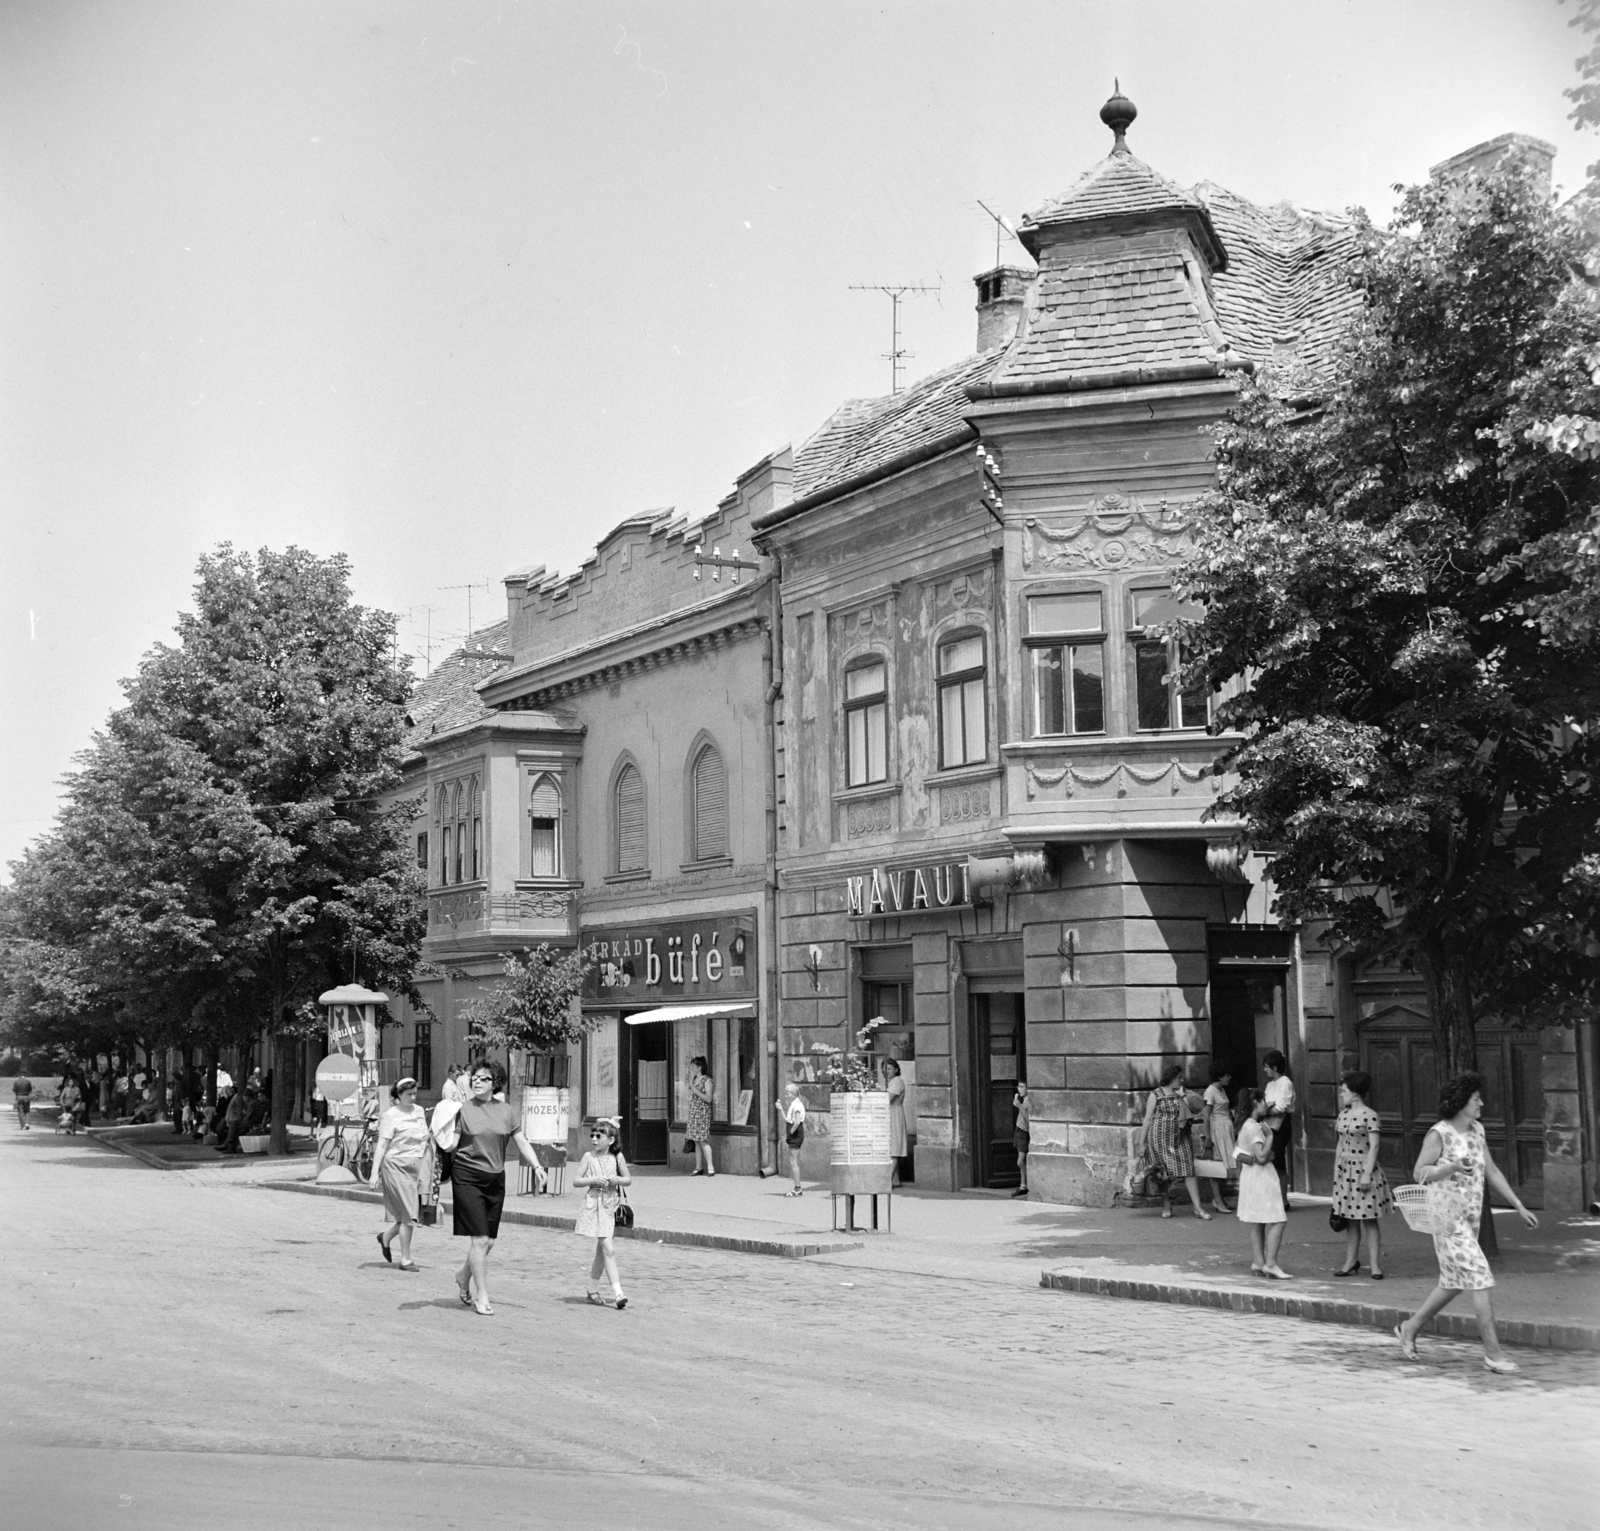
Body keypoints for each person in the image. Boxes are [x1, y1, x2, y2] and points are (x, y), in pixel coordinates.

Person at [1396, 1071, 1538, 1375]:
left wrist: (1520, 1206)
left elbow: (1493, 1172)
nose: (1481, 1103)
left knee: (1452, 1283)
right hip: (1446, 1219)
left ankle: (1409, 1328)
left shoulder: (1478, 1131)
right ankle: (1493, 1354)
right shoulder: (1439, 1133)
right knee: (1480, 1276)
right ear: (1461, 1102)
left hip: (1469, 1219)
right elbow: (1419, 1171)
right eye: (1476, 1099)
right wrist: (1451, 1167)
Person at [451, 1061, 546, 1316]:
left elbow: (521, 1141)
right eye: (474, 1078)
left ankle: (463, 1274)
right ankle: (481, 1295)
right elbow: (450, 1144)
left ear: (496, 1083)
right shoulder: (463, 1110)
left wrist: (537, 1166)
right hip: (467, 1175)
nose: (477, 1082)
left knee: (489, 1241)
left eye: (483, 1078)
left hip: (495, 1178)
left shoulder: (506, 1111)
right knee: (480, 1239)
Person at [1331, 1070, 1393, 1279]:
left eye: (1344, 1091)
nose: (1341, 1095)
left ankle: (1375, 1265)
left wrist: (1366, 1174)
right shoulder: (1343, 1115)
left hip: (1364, 1170)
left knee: (1369, 1219)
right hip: (1345, 1171)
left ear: (1355, 1093)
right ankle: (1351, 1261)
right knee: (1349, 1219)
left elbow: (1374, 1146)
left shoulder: (1370, 1115)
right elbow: (1340, 1144)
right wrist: (1336, 1171)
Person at [369, 1077, 430, 1271]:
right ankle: (405, 1259)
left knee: (409, 1213)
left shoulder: (419, 1111)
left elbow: (424, 1136)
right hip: (396, 1166)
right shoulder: (390, 1115)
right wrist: (374, 1172)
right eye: (409, 1094)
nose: (413, 1098)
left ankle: (385, 1237)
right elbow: (382, 1145)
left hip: (416, 1166)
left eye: (415, 1094)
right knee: (409, 1213)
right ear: (399, 1095)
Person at [1138, 1063, 1211, 1220]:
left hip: (1181, 1137)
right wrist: (1141, 1143)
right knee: (1162, 1173)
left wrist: (1184, 1095)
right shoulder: (1156, 1094)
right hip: (1159, 1140)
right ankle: (1167, 1206)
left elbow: (1198, 1108)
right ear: (1171, 1078)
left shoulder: (1182, 1094)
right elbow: (1147, 1119)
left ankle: (1198, 1208)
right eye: (1179, 1077)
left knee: (1188, 1170)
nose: (1182, 1080)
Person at [575, 1116, 631, 1308]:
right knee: (608, 1248)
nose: (595, 1139)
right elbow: (576, 1180)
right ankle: (618, 1293)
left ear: (611, 1140)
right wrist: (593, 1179)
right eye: (593, 1135)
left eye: (599, 1136)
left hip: (610, 1205)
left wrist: (617, 1179)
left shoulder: (617, 1157)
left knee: (602, 1250)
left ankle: (592, 1289)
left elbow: (628, 1179)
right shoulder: (588, 1157)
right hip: (594, 1205)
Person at [1234, 1088, 1290, 1278]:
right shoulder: (1256, 1127)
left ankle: (1258, 1261)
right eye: (1263, 1101)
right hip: (1262, 1178)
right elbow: (1261, 1155)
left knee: (1257, 1221)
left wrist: (1256, 1159)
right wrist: (1271, 1138)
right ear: (1255, 1103)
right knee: (1278, 1219)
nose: (1266, 1104)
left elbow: (1238, 1154)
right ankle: (1271, 1263)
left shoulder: (1244, 1125)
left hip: (1250, 1176)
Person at [1262, 1050, 1295, 1212]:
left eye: (1267, 1067)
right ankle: (1274, 1199)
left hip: (1281, 1126)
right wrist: (1269, 1107)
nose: (1265, 1070)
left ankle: (1283, 1200)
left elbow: (1281, 1108)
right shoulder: (1270, 1084)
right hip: (1269, 1126)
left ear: (1275, 1067)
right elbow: (1270, 1106)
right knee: (1270, 1162)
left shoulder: (1285, 1082)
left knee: (1278, 1162)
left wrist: (1265, 1108)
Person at [1202, 1064, 1235, 1213]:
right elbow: (1206, 1115)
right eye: (1227, 1075)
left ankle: (1219, 1199)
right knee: (1216, 1165)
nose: (1229, 1078)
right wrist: (1208, 1136)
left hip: (1225, 1128)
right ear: (1220, 1076)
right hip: (1217, 1130)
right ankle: (1217, 1200)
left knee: (1223, 1165)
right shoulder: (1210, 1091)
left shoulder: (1221, 1090)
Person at [686, 1055, 715, 1176]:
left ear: (699, 1067)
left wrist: (694, 1089)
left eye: (693, 1066)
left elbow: (709, 1098)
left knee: (703, 1140)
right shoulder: (693, 1080)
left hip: (702, 1114)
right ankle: (698, 1167)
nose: (691, 1068)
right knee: (696, 1141)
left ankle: (710, 1167)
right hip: (694, 1113)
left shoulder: (707, 1080)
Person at [776, 1081, 806, 1196]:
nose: (785, 1096)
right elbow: (788, 1120)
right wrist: (780, 1109)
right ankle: (797, 1187)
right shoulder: (793, 1105)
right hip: (793, 1132)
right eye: (785, 1093)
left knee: (793, 1162)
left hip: (795, 1134)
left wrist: (791, 1132)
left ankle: (797, 1188)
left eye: (787, 1094)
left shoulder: (797, 1105)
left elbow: (797, 1121)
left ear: (794, 1094)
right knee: (792, 1161)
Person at [884, 1059, 909, 1188]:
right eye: (885, 1069)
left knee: (894, 1147)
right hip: (889, 1114)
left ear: (896, 1069)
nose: (886, 1072)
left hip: (894, 1114)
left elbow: (888, 1099)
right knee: (890, 1146)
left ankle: (887, 1180)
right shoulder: (889, 1082)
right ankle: (895, 1179)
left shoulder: (897, 1082)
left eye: (889, 1069)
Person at [1011, 1079, 1031, 1198]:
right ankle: (1023, 1185)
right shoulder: (1024, 1100)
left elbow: (1029, 1120)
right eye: (1019, 1087)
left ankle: (1025, 1185)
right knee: (1021, 1161)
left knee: (1020, 1161)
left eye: (1022, 1087)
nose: (1019, 1089)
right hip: (1019, 1130)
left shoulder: (1029, 1101)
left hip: (1024, 1131)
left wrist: (1019, 1106)